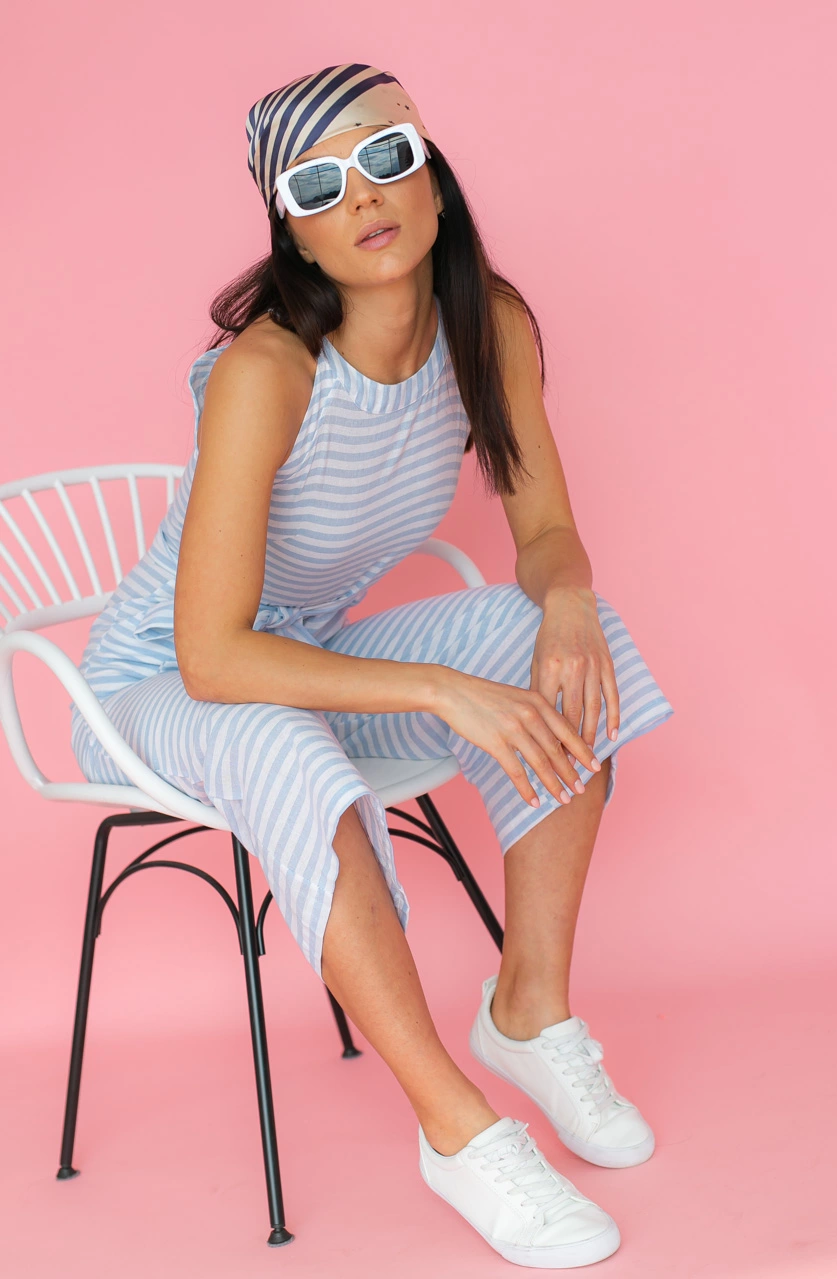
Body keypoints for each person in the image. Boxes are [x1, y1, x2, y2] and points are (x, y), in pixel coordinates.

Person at [70, 63, 675, 1268]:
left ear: (433, 180)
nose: (361, 196)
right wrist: (438, 689)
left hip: (310, 654)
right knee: (278, 735)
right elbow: (212, 656)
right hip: (155, 687)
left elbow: (545, 530)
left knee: (554, 638)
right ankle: (458, 1130)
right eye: (317, 186)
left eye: (386, 158)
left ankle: (528, 1011)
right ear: (293, 234)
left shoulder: (487, 325)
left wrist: (565, 600)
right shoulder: (266, 373)